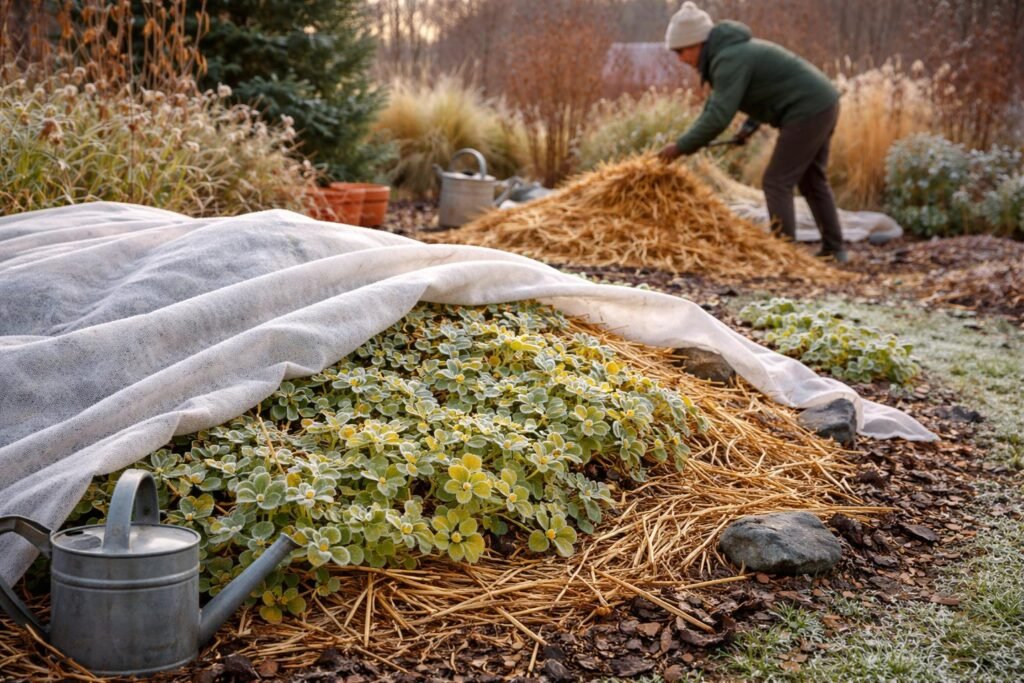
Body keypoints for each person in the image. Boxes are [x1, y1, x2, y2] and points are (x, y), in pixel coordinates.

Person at [657, 2, 848, 263]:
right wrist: (748, 129)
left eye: (681, 51)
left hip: (808, 110)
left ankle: (786, 256)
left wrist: (680, 147)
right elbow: (766, 91)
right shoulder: (732, 53)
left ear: (697, 43)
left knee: (776, 181)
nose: (680, 58)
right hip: (822, 103)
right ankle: (834, 250)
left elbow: (717, 116)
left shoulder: (728, 58)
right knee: (811, 180)